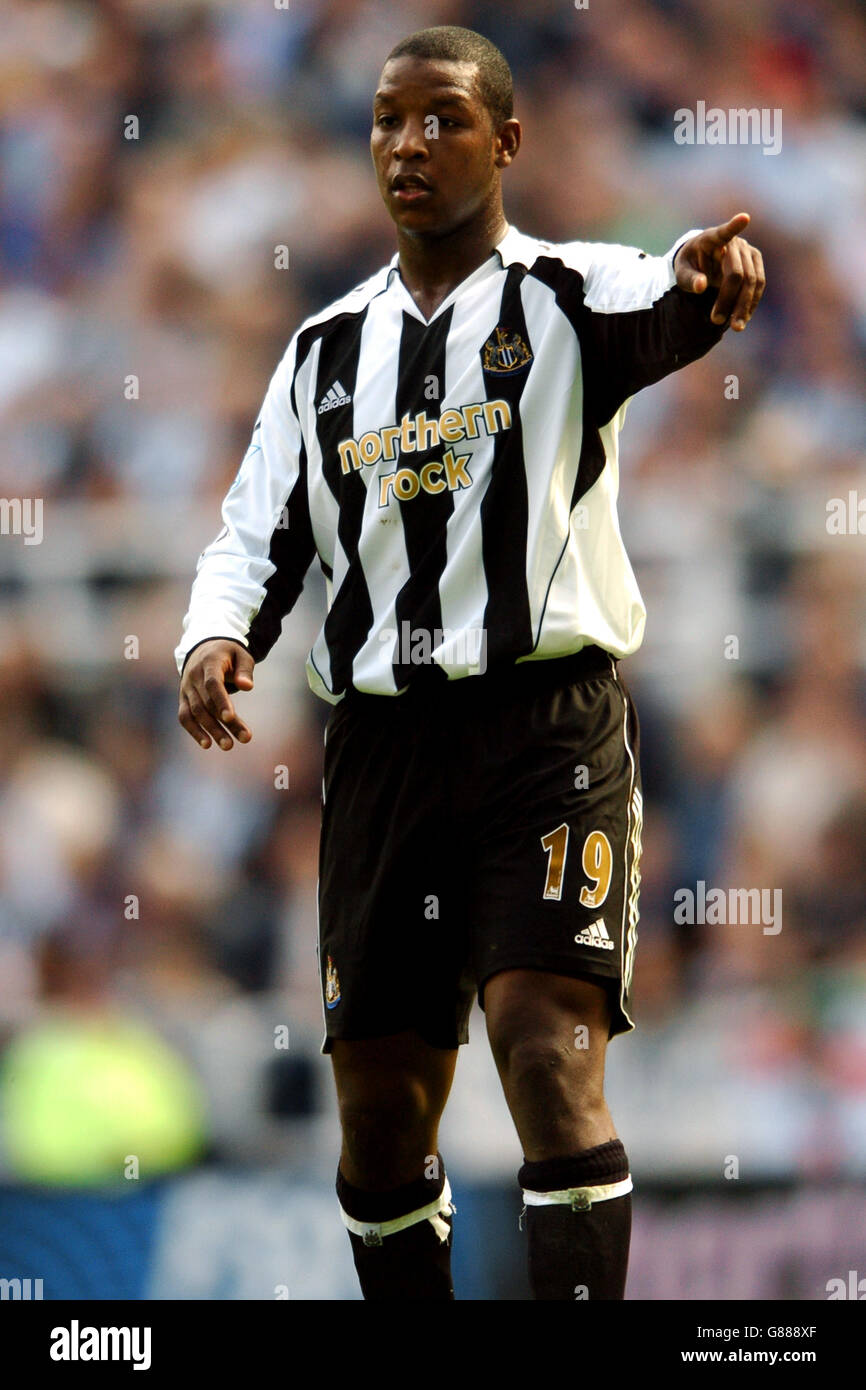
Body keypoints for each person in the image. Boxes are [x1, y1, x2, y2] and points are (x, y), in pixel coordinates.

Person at [175, 25, 765, 1300]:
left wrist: (709, 270)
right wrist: (216, 635)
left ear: (504, 142)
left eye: (440, 119)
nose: (407, 144)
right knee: (381, 1113)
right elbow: (254, 533)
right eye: (388, 119)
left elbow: (663, 290)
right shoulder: (323, 354)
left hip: (542, 730)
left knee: (543, 1049)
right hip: (381, 748)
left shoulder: (560, 293)